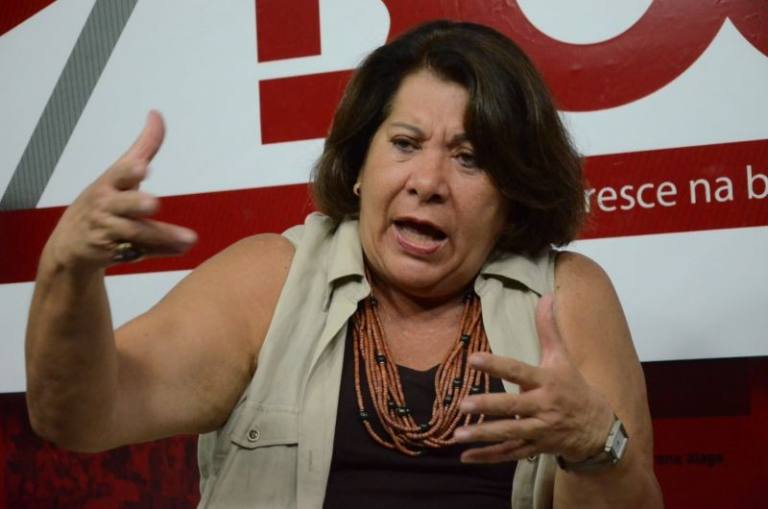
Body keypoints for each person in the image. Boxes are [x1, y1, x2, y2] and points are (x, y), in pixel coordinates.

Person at [25, 20, 662, 508]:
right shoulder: (267, 282)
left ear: (513, 193)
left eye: (469, 158)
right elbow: (78, 417)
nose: (428, 182)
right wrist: (67, 274)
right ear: (359, 166)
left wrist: (593, 444)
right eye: (405, 144)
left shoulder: (568, 296)